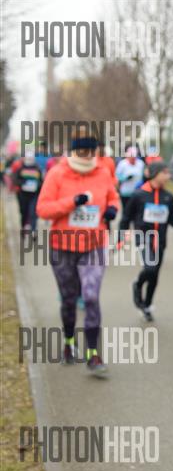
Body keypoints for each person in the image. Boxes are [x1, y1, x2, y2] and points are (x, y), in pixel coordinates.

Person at [35, 132, 120, 377]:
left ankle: (93, 354)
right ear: (74, 151)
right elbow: (43, 209)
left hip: (94, 245)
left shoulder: (102, 172)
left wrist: (112, 209)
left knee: (91, 296)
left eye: (91, 151)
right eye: (82, 151)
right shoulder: (57, 174)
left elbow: (113, 197)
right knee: (69, 299)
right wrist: (72, 202)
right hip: (62, 246)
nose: (88, 155)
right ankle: (69, 342)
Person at [119, 162, 173, 322]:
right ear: (154, 174)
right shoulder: (138, 195)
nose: (167, 176)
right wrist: (121, 238)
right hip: (144, 237)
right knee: (150, 268)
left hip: (161, 240)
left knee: (154, 274)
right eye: (164, 172)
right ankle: (138, 284)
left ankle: (147, 305)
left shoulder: (168, 196)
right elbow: (126, 218)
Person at [11, 150, 43, 233]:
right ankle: (23, 227)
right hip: (23, 195)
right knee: (24, 212)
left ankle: (33, 230)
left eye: (31, 159)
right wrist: (23, 183)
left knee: (33, 212)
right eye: (28, 159)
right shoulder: (21, 168)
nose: (30, 160)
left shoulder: (37, 168)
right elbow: (15, 179)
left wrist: (36, 185)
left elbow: (41, 181)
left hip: (34, 195)